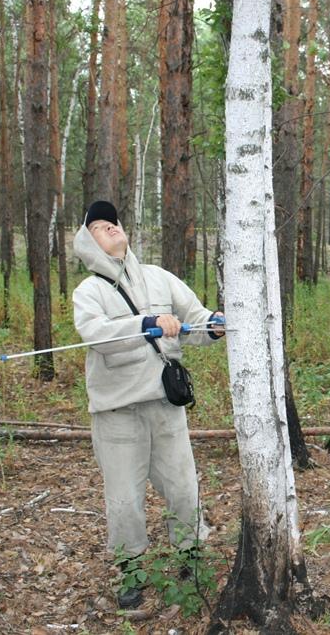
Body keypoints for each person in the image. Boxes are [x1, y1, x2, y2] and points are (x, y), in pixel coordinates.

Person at [72, 200, 225, 609]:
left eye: (115, 223)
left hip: (165, 407)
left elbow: (195, 318)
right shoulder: (89, 292)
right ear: (89, 241)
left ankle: (190, 556)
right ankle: (131, 570)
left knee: (183, 486)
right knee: (124, 497)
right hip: (118, 413)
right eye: (102, 227)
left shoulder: (159, 278)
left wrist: (214, 325)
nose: (113, 229)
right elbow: (96, 334)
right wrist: (146, 324)